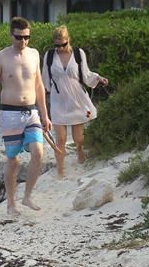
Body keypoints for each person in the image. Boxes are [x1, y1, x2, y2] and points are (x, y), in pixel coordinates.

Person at [0, 17, 52, 217]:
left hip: (31, 112)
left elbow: (39, 86)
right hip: (10, 113)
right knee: (14, 162)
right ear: (11, 35)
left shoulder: (35, 54)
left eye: (27, 37)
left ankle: (27, 195)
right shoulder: (1, 57)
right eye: (19, 38)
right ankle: (11, 203)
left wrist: (45, 115)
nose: (24, 42)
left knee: (38, 152)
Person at [42, 25, 108, 178]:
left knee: (78, 138)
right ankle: (60, 170)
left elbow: (85, 74)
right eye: (56, 45)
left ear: (68, 40)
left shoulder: (78, 53)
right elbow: (45, 77)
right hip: (58, 100)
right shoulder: (50, 55)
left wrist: (98, 78)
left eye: (63, 44)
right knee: (61, 138)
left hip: (77, 98)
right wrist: (40, 94)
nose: (60, 48)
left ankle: (79, 150)